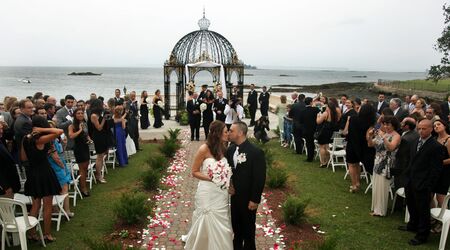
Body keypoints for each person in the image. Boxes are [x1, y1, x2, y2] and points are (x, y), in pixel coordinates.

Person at [182, 120, 233, 249]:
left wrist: (227, 180)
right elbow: (194, 172)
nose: (228, 134)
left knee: (222, 218)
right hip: (207, 191)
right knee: (206, 217)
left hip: (220, 193)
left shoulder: (224, 147)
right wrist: (213, 178)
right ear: (217, 133)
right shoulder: (204, 149)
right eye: (225, 131)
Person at [399, 119, 445, 246]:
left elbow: (436, 169)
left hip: (423, 184)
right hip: (410, 180)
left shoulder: (436, 147)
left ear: (431, 129)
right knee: (411, 205)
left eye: (424, 128)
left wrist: (428, 186)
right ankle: (412, 225)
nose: (420, 131)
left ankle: (422, 235)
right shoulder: (414, 142)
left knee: (423, 210)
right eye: (419, 128)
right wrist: (406, 176)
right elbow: (410, 160)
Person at [22, 116, 62, 242]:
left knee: (35, 204)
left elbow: (23, 158)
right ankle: (47, 234)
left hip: (32, 172)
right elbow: (59, 131)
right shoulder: (40, 140)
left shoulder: (25, 139)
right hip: (44, 173)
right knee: (47, 205)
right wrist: (42, 129)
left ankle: (32, 233)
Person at [227, 121, 266, 249]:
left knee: (248, 232)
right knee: (237, 230)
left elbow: (259, 178)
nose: (228, 132)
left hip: (248, 199)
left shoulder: (256, 152)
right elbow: (229, 171)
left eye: (231, 130)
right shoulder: (230, 149)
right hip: (235, 198)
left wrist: (255, 199)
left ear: (240, 133)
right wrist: (230, 184)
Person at [367, 116, 400, 216]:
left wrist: (383, 137)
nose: (385, 126)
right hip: (377, 161)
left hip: (386, 163)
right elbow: (370, 145)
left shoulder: (396, 136)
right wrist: (369, 136)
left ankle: (381, 211)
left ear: (393, 125)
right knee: (376, 185)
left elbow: (391, 148)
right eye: (384, 124)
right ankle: (376, 209)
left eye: (388, 124)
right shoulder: (383, 133)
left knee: (382, 187)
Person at [344, 104, 377, 193]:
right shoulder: (370, 123)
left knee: (351, 165)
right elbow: (367, 137)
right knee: (357, 164)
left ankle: (354, 184)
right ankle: (358, 182)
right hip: (363, 146)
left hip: (352, 144)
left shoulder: (352, 118)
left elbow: (345, 131)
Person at [48, 121, 73, 217]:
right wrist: (61, 165)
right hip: (56, 165)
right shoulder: (50, 142)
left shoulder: (55, 140)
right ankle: (66, 211)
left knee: (60, 188)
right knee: (64, 188)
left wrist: (64, 144)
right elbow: (55, 156)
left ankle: (57, 209)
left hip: (60, 163)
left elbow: (61, 151)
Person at [68, 108, 91, 196]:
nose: (80, 115)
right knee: (82, 168)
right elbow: (71, 136)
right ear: (75, 115)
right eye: (78, 113)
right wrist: (80, 130)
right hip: (78, 148)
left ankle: (83, 184)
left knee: (86, 167)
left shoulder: (84, 123)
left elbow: (86, 134)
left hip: (85, 146)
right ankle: (83, 188)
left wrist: (89, 139)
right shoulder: (72, 125)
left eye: (82, 113)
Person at [392, 117, 419, 191]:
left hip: (403, 166)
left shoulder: (405, 139)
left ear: (407, 126)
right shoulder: (416, 134)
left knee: (400, 187)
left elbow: (401, 154)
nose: (401, 123)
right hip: (410, 164)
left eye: (403, 123)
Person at [89, 98, 111, 183]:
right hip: (98, 136)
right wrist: (104, 119)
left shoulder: (98, 114)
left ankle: (99, 173)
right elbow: (98, 128)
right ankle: (98, 175)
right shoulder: (94, 115)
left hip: (102, 135)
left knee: (102, 155)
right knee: (99, 156)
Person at [432, 119, 450, 208]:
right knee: (429, 196)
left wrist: (439, 163)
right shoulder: (434, 139)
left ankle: (444, 219)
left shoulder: (448, 139)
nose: (436, 127)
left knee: (440, 198)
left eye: (438, 124)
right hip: (433, 171)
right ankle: (432, 218)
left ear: (445, 126)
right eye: (434, 126)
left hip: (444, 172)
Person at [316, 101, 339, 167]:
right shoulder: (335, 114)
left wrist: (318, 116)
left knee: (322, 147)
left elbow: (318, 122)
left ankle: (323, 162)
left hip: (324, 131)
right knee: (326, 146)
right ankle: (328, 161)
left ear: (329, 107)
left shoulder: (326, 113)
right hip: (330, 132)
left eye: (326, 106)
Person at [0, 122, 20, 198]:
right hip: (5, 186)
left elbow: (9, 135)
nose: (1, 131)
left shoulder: (1, 140)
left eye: (1, 129)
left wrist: (6, 127)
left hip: (10, 181)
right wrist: (5, 186)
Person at [299, 97, 319, 161]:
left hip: (306, 129)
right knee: (312, 143)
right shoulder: (315, 109)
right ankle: (312, 156)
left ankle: (310, 157)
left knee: (309, 143)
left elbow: (300, 121)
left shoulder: (302, 110)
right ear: (311, 102)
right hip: (314, 128)